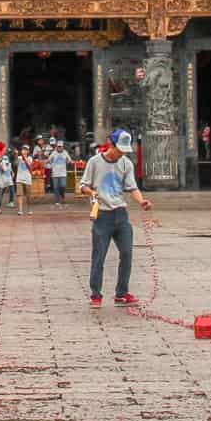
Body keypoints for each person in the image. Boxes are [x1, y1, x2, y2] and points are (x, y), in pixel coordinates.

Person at [78, 129, 151, 308]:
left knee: (127, 253)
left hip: (121, 214)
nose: (122, 154)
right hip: (102, 215)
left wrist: (142, 201)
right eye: (120, 150)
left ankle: (121, 292)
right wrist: (92, 191)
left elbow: (132, 187)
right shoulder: (95, 162)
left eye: (125, 151)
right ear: (111, 144)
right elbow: (83, 186)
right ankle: (96, 294)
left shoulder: (126, 163)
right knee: (99, 256)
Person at [47, 142, 69, 208]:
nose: (59, 148)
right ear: (56, 147)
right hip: (55, 173)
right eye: (58, 146)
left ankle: (62, 196)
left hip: (63, 173)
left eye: (61, 146)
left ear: (63, 147)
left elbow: (69, 160)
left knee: (63, 186)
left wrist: (68, 161)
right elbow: (49, 160)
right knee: (55, 187)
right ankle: (57, 200)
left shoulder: (65, 152)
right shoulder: (53, 153)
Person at [15, 145, 34, 216]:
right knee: (20, 194)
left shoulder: (30, 158)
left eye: (26, 150)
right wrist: (16, 155)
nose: (24, 151)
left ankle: (29, 208)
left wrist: (24, 157)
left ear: (28, 151)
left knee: (28, 196)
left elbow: (29, 164)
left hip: (27, 179)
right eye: (23, 149)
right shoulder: (19, 158)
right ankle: (20, 210)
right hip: (19, 178)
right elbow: (16, 163)